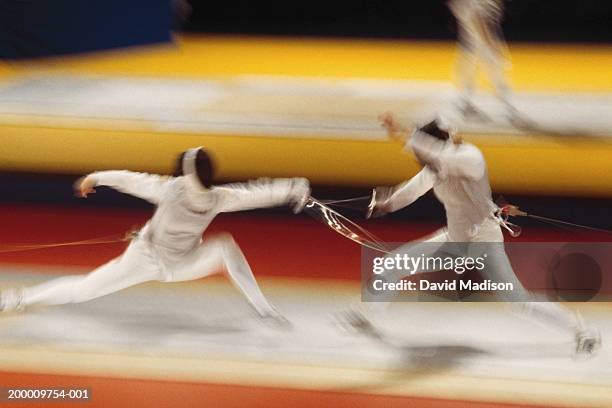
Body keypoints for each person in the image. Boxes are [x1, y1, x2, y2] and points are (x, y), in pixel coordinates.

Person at [344, 112, 601, 356]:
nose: (421, 158)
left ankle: (583, 331)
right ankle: (367, 315)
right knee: (393, 263)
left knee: (518, 301)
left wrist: (401, 131)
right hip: (454, 241)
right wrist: (385, 204)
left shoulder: (469, 157)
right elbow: (413, 189)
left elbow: (434, 152)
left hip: (484, 244)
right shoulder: (435, 167)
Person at [0, 147, 310, 326]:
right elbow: (256, 192)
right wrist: (294, 187)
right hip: (149, 259)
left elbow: (129, 179)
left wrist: (93, 178)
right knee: (85, 289)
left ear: (185, 174)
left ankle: (262, 307)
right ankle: (20, 299)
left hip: (177, 262)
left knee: (225, 245)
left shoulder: (178, 190)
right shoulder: (217, 196)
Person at [448, 0, 515, 118]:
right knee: (493, 68)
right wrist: (490, 44)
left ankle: (465, 100)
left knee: (471, 68)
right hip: (478, 42)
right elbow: (478, 20)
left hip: (473, 42)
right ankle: (504, 100)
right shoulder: (478, 5)